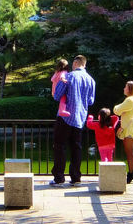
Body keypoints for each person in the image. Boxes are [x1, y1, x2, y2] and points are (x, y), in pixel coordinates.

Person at [51, 54, 96, 187]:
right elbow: (91, 101)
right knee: (76, 147)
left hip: (65, 117)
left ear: (75, 64)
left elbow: (57, 96)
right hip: (80, 118)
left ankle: (59, 178)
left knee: (59, 146)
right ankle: (76, 177)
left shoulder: (69, 76)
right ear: (84, 64)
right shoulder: (91, 80)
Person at [113, 80, 133, 184]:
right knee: (129, 152)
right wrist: (121, 110)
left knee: (129, 152)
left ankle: (131, 174)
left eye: (125, 87)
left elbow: (116, 110)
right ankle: (131, 173)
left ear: (130, 89)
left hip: (130, 129)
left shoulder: (130, 100)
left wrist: (119, 109)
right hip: (130, 128)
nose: (124, 88)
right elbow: (119, 110)